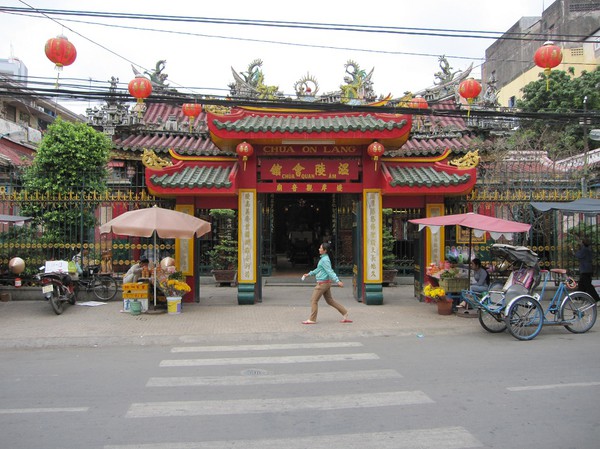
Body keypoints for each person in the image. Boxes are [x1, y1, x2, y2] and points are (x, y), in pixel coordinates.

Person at [302, 242, 351, 324]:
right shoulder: (324, 259)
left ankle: (312, 319)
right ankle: (345, 312)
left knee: (313, 300)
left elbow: (330, 271)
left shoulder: (324, 260)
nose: (319, 249)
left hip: (322, 284)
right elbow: (319, 269)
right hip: (326, 283)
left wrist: (337, 281)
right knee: (330, 301)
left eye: (321, 248)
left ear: (325, 250)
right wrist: (309, 274)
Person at [573, 237, 600, 302]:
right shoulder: (588, 249)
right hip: (588, 269)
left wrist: (573, 251)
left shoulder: (584, 250)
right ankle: (578, 298)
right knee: (581, 284)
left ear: (583, 243)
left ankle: (597, 299)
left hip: (585, 270)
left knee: (588, 286)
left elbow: (578, 255)